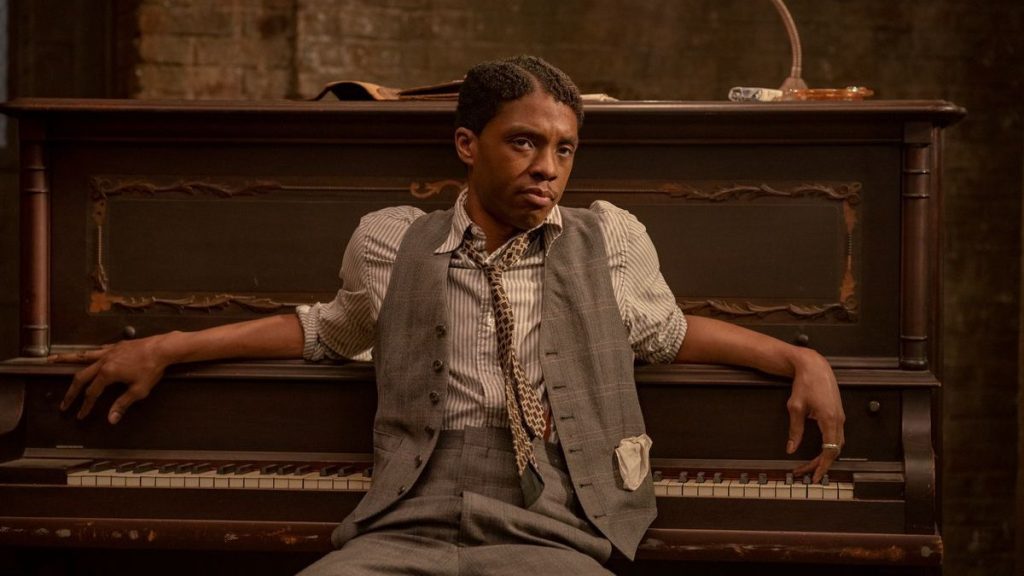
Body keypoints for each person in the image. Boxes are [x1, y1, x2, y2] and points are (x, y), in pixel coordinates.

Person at [55, 55, 845, 575]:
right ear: (468, 145)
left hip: (553, 524)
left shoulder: (611, 239)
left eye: (564, 150)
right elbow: (327, 329)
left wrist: (799, 359)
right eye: (525, 143)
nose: (547, 168)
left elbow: (670, 334)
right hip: (409, 517)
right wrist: (170, 345)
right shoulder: (392, 240)